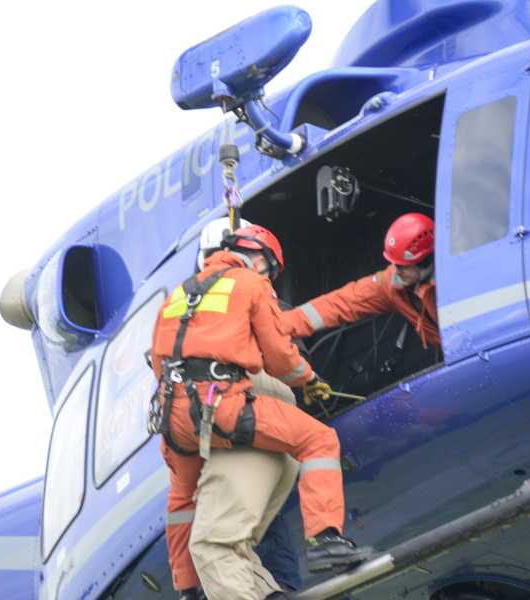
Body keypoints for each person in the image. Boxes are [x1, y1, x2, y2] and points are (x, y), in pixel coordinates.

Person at [151, 223, 374, 600]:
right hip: (222, 404)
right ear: (259, 257)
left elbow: (160, 366)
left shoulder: (177, 296)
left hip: (174, 418)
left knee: (183, 497)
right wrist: (308, 378)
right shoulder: (252, 284)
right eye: (270, 268)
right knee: (319, 440)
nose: (269, 276)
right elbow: (278, 356)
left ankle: (189, 585)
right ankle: (324, 539)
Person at [189, 218, 303, 597]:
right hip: (281, 430)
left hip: (243, 421)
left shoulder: (195, 311)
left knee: (214, 545)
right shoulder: (266, 301)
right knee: (249, 536)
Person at [284, 213, 440, 350]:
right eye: (394, 264)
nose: (396, 271)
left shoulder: (451, 279)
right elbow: (341, 303)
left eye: (402, 266)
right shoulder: (391, 284)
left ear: (425, 261)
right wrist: (282, 325)